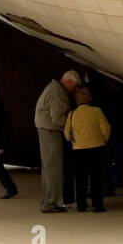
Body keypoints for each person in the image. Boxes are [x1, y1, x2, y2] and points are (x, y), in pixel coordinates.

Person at [35, 69, 80, 213]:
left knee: (48, 167)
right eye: (74, 86)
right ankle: (49, 203)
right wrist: (72, 128)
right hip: (51, 131)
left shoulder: (53, 88)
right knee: (53, 168)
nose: (75, 90)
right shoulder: (57, 92)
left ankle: (48, 201)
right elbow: (57, 118)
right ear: (68, 82)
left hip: (46, 130)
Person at [64, 88, 112, 213]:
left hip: (78, 151)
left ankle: (81, 205)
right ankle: (98, 206)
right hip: (97, 149)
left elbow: (66, 133)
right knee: (97, 178)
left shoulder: (72, 114)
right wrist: (103, 139)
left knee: (81, 179)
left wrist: (74, 141)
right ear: (89, 98)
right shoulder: (97, 111)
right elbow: (106, 128)